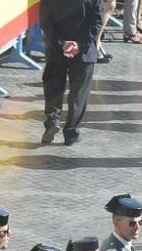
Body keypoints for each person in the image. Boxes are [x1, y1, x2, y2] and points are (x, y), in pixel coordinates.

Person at [40, 0, 101, 146]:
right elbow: (96, 21)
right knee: (79, 94)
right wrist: (80, 44)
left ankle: (52, 120)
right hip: (84, 54)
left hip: (56, 51)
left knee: (53, 86)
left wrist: (61, 44)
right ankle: (71, 131)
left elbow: (46, 21)